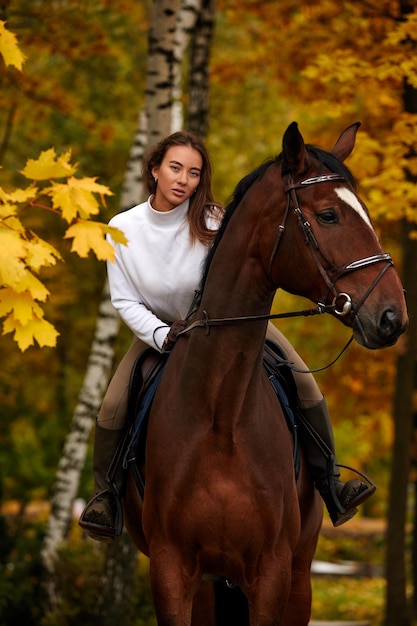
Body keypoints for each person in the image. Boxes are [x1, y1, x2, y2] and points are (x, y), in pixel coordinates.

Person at [79, 131, 375, 542]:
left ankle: (332, 482)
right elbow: (125, 300)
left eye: (194, 173)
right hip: (161, 331)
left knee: (304, 381)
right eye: (175, 168)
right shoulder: (121, 228)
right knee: (113, 405)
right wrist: (162, 334)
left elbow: (244, 275)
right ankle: (106, 498)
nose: (183, 180)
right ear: (154, 170)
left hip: (232, 326)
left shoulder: (216, 220)